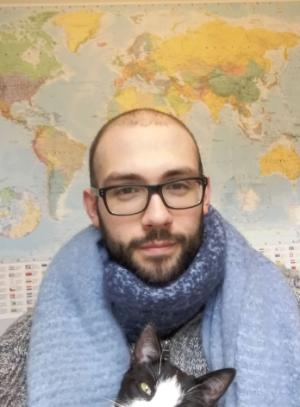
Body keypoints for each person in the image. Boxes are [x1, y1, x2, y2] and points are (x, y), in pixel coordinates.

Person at [1, 108, 300, 407]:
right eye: (127, 190)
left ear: (205, 196)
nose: (157, 216)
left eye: (178, 185)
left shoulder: (292, 304)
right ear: (93, 208)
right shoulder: (18, 355)